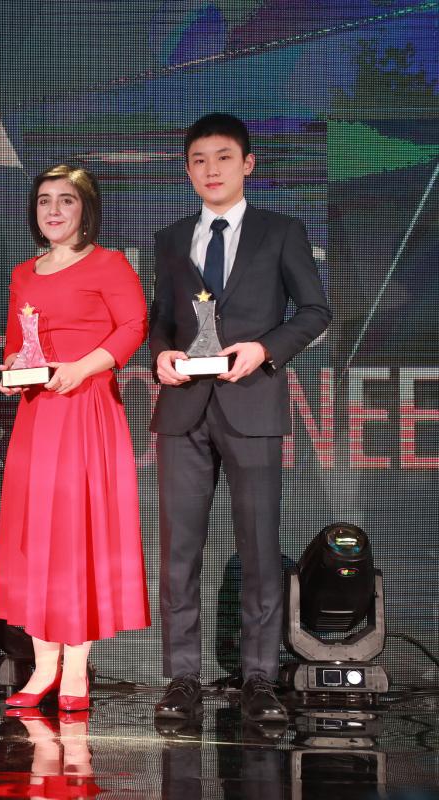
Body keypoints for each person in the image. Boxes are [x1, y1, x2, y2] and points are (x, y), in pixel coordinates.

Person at [150, 113, 331, 721]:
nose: (211, 169)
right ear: (187, 169)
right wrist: (160, 354)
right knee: (180, 551)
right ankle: (181, 680)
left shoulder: (279, 231)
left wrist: (265, 349)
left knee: (258, 548)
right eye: (199, 160)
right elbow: (160, 319)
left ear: (247, 164)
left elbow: (314, 309)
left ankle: (259, 679)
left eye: (223, 157)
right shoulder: (172, 238)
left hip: (252, 402)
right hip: (183, 412)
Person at [0, 165, 150, 713]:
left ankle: (76, 671)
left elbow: (133, 327)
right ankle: (42, 668)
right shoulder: (23, 273)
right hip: (38, 416)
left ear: (86, 208)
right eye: (43, 202)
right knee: (37, 537)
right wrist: (14, 368)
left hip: (85, 410)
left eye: (65, 201)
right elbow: (17, 343)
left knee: (77, 537)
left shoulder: (110, 264)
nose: (53, 211)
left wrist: (82, 369)